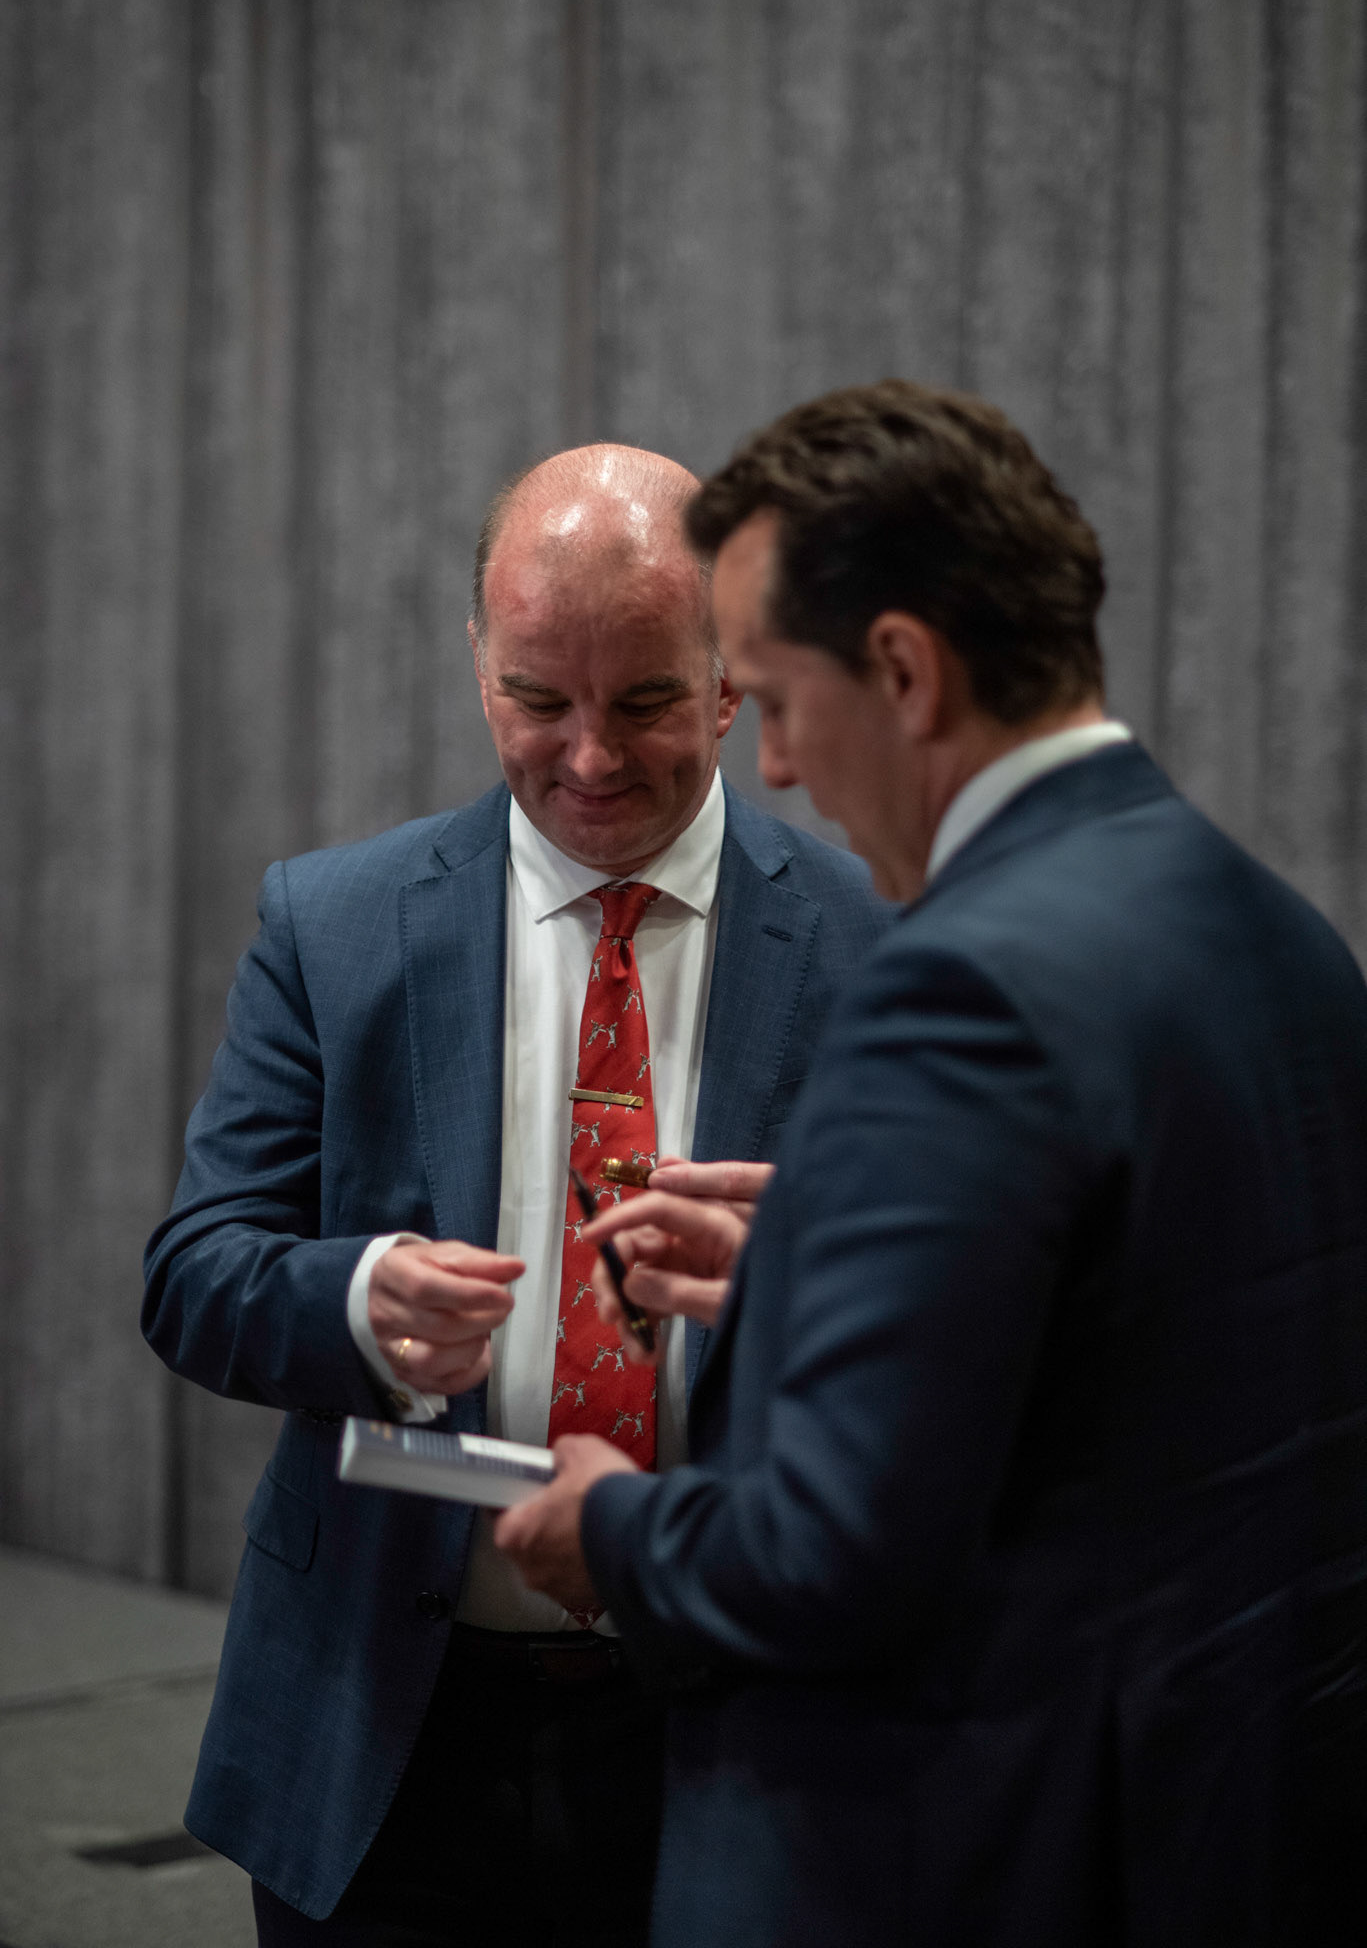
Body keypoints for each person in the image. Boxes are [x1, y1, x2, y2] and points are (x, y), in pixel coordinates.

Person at [497, 382, 1367, 1947]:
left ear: (902, 669)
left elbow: (828, 1554)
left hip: (963, 1847)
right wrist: (832, 1265)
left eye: (766, 694)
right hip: (1229, 1814)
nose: (766, 769)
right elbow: (1154, 1342)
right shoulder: (1285, 936)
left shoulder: (957, 982)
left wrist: (606, 1530)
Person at [141, 442, 887, 1945]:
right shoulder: (334, 925)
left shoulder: (881, 950)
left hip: (731, 1728)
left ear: (735, 680)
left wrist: (796, 1286)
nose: (592, 757)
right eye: (538, 701)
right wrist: (355, 1299)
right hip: (384, 1727)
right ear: (479, 664)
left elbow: (966, 1338)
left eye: (649, 702)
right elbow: (195, 1273)